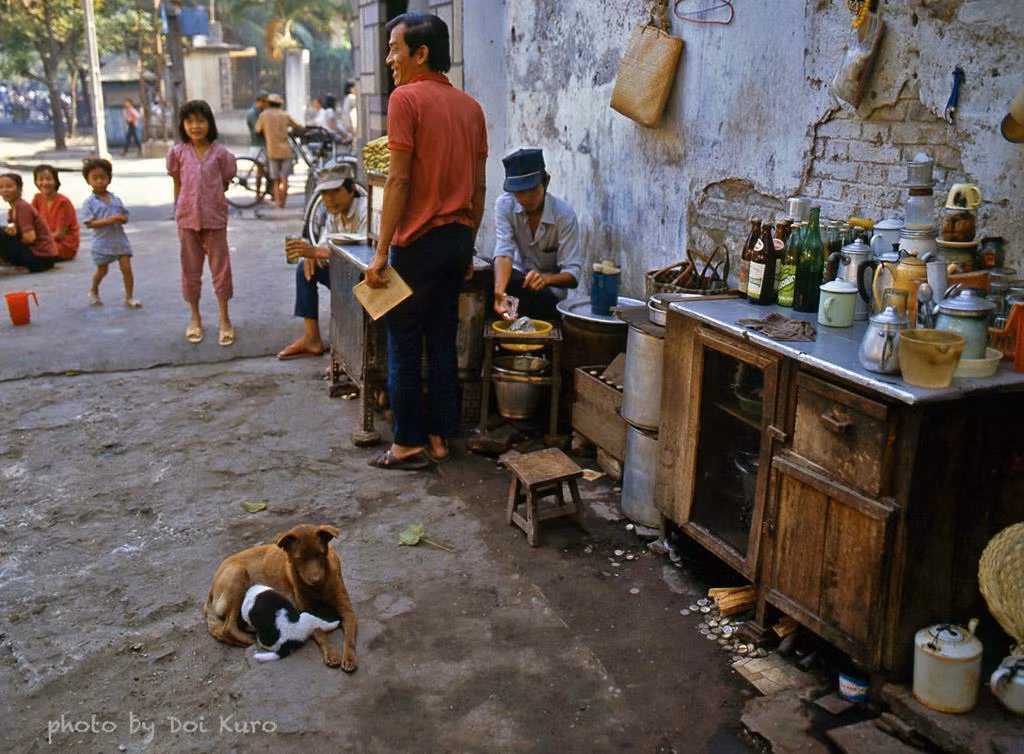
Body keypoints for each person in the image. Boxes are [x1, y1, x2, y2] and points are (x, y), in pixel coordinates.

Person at [365, 12, 488, 470]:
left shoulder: (405, 99)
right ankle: (439, 437)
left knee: (402, 340)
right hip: (457, 240)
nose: (389, 58)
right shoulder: (472, 108)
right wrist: (469, 243)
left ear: (421, 53)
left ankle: (407, 444)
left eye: (395, 48)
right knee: (441, 342)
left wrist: (381, 252)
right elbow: (478, 188)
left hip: (415, 245)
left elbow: (397, 183)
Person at [277, 167, 368, 360]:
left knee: (340, 275)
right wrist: (311, 255)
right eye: (325, 193)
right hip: (344, 273)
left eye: (335, 192)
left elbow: (363, 254)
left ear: (351, 189)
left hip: (364, 278)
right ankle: (311, 338)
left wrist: (316, 251)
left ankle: (349, 349)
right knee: (305, 268)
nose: (329, 199)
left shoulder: (364, 210)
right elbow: (323, 247)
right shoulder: (333, 215)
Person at [166, 99, 238, 346]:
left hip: (214, 220)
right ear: (183, 125)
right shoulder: (177, 153)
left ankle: (224, 319)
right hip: (186, 220)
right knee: (190, 271)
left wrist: (211, 199)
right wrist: (180, 207)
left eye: (200, 120)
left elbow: (225, 181)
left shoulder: (222, 155)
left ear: (209, 123)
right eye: (189, 121)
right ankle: (195, 318)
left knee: (221, 270)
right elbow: (177, 182)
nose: (195, 126)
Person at [492, 148, 582, 321]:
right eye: (518, 193)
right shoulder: (504, 205)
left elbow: (573, 275)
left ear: (546, 182)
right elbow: (504, 250)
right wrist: (500, 292)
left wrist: (546, 279)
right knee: (488, 277)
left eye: (531, 191)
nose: (525, 199)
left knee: (540, 299)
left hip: (548, 293)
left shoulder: (564, 215)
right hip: (517, 282)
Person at [80, 158, 141, 307]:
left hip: (119, 240)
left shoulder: (115, 199)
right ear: (88, 180)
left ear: (109, 179)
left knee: (126, 268)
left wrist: (122, 218)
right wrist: (108, 220)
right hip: (102, 242)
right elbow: (89, 223)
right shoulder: (89, 202)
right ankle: (94, 290)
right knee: (102, 270)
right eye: (95, 178)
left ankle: (129, 296)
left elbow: (125, 216)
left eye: (103, 177)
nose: (100, 181)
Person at [0, 172, 57, 273]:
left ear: (19, 189)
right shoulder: (12, 210)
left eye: (9, 187)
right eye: (1, 187)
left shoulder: (22, 207)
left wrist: (9, 243)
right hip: (40, 257)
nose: (4, 190)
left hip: (41, 258)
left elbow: (30, 238)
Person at [255, 93, 302, 209]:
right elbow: (298, 125)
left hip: (272, 150)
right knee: (285, 178)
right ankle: (283, 203)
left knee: (275, 180)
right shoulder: (285, 115)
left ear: (269, 103)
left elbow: (257, 129)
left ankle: (278, 203)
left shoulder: (264, 115)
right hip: (286, 150)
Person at [31, 164, 79, 261]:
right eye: (40, 179)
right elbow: (30, 223)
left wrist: (35, 241)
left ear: (55, 181)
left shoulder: (63, 202)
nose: (44, 183)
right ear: (36, 181)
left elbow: (59, 234)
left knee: (28, 252)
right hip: (45, 241)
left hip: (64, 244)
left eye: (48, 179)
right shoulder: (37, 198)